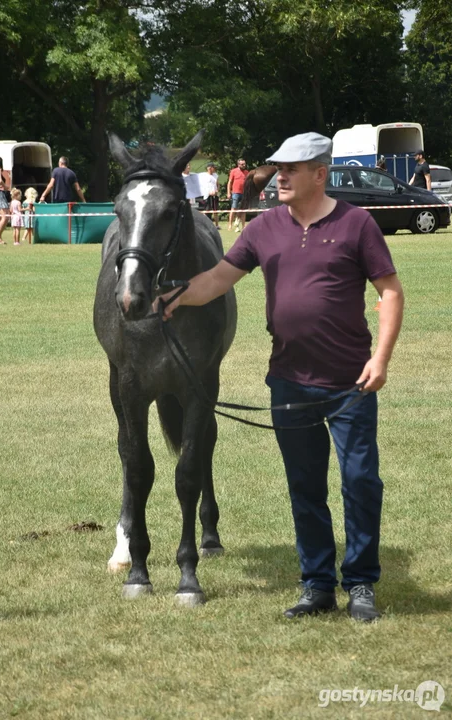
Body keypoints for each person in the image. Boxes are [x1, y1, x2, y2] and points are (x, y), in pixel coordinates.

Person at [156, 132, 404, 623]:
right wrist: (177, 297)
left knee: (360, 482)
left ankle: (359, 584)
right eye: (278, 168)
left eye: (291, 169)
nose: (279, 176)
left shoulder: (357, 224)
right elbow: (217, 280)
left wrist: (381, 359)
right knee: (305, 487)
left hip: (351, 383)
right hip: (289, 382)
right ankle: (317, 586)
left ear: (320, 172)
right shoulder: (264, 227)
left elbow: (390, 292)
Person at [227, 158, 249, 231]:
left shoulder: (246, 172)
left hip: (244, 194)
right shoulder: (233, 171)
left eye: (244, 164)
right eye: (242, 164)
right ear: (238, 164)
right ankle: (230, 225)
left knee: (243, 210)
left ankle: (243, 226)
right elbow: (229, 182)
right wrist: (228, 192)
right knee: (233, 209)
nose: (244, 165)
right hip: (235, 193)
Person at [204, 162, 220, 228]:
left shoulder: (215, 175)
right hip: (207, 195)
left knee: (215, 210)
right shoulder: (205, 176)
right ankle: (207, 224)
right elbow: (203, 186)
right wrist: (209, 192)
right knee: (208, 210)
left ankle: (217, 225)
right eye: (213, 167)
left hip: (215, 195)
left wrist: (217, 190)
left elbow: (218, 184)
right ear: (209, 168)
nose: (214, 169)